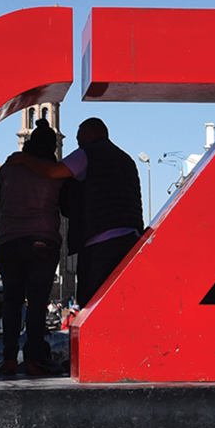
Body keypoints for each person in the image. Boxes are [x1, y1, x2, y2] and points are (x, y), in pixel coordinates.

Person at [0, 123, 68, 375]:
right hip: (44, 241)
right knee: (37, 302)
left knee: (12, 300)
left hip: (9, 241)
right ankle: (34, 358)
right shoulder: (55, 172)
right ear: (51, 146)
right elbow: (66, 207)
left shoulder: (7, 169)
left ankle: (9, 358)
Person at [60, 118, 145, 307]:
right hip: (129, 239)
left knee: (91, 302)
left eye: (79, 137)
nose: (77, 142)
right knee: (121, 300)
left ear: (89, 133)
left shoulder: (86, 154)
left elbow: (54, 172)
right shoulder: (126, 159)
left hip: (98, 240)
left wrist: (24, 161)